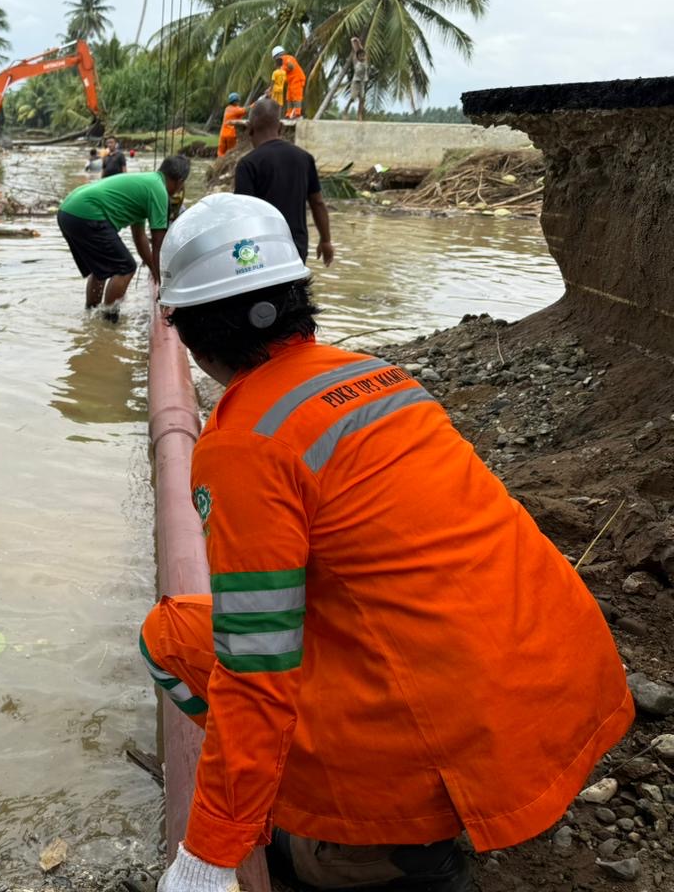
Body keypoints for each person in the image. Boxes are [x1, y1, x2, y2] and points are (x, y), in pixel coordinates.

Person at [148, 193, 634, 892]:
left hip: (442, 724)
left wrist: (209, 852)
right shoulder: (378, 378)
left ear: (188, 332)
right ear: (297, 297)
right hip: (552, 684)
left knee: (173, 636)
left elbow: (257, 669)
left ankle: (372, 849)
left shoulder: (245, 443)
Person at [56, 156, 190, 314]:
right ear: (180, 181)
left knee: (100, 269)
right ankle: (109, 319)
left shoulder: (147, 183)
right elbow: (158, 245)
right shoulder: (159, 191)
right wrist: (164, 287)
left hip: (67, 211)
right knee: (126, 268)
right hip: (87, 214)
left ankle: (91, 315)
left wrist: (154, 271)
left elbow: (140, 238)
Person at [233, 97, 334, 266]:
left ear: (250, 129)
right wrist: (326, 241)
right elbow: (317, 203)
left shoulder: (248, 164)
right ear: (280, 127)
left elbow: (243, 216)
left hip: (261, 251)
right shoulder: (304, 158)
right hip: (296, 249)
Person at [272, 45, 306, 119]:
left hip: (297, 79)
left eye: (275, 59)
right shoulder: (282, 65)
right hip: (291, 82)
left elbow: (291, 67)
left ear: (279, 56)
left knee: (296, 97)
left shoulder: (288, 58)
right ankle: (289, 114)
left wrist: (282, 69)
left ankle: (297, 114)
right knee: (289, 98)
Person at [217, 93, 248, 157]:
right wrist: (261, 99)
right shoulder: (236, 110)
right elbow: (247, 110)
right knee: (230, 153)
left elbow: (240, 113)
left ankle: (219, 165)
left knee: (221, 152)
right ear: (236, 101)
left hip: (223, 134)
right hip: (231, 135)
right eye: (238, 101)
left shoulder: (227, 108)